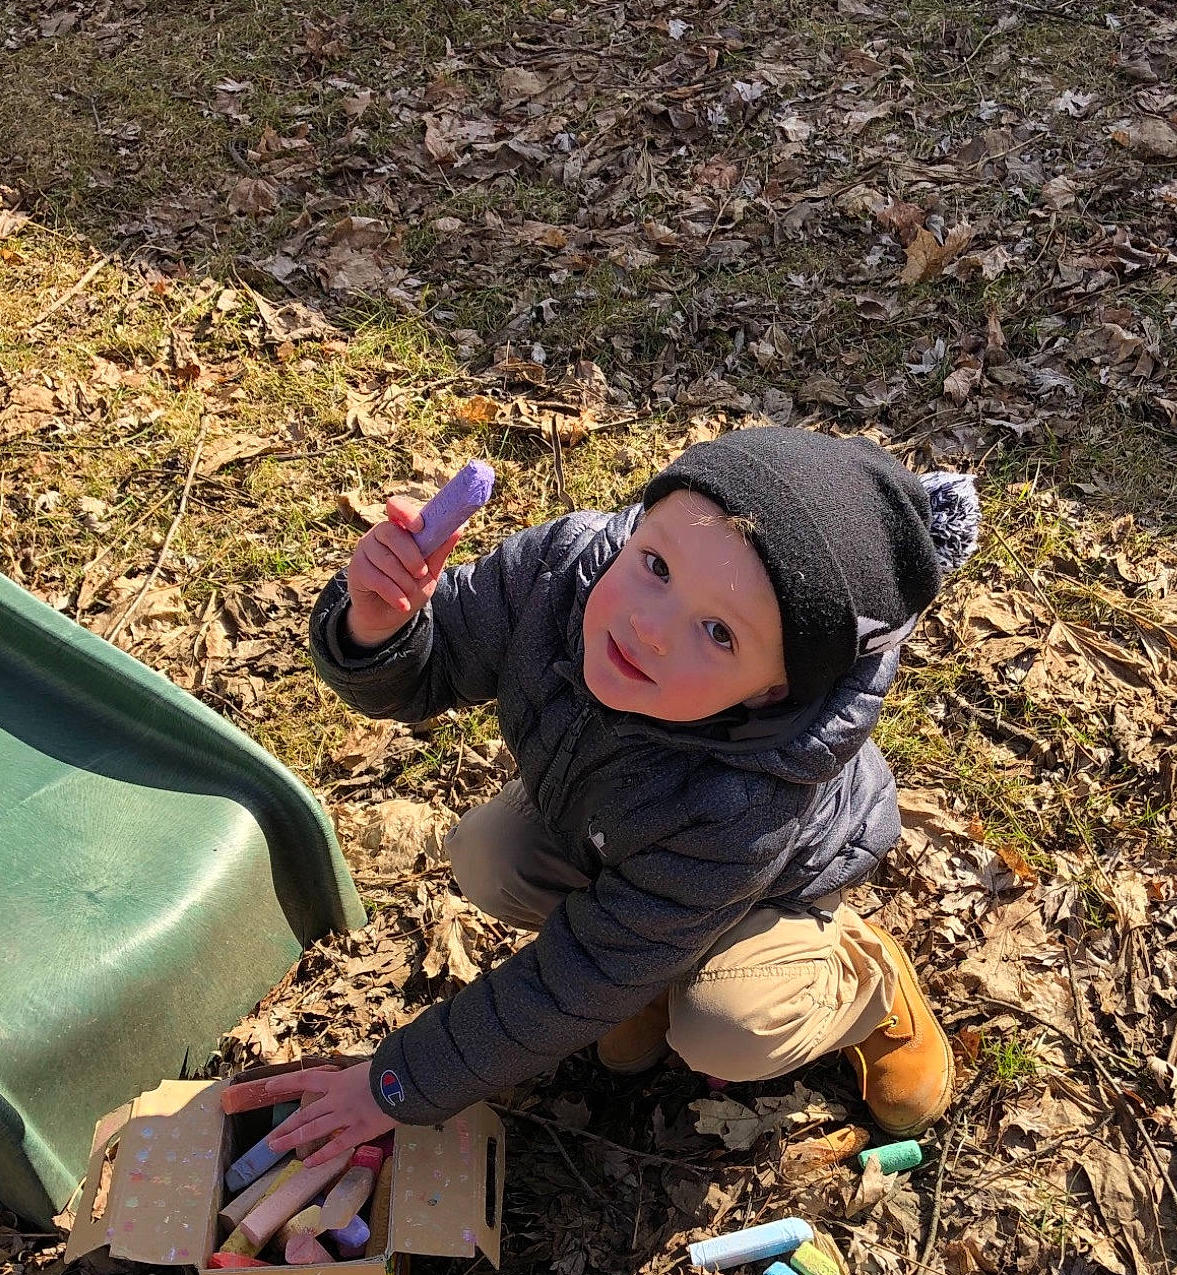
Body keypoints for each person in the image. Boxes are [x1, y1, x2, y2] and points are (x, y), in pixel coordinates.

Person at [222, 426, 979, 1167]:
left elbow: (581, 974)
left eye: (718, 632)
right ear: (640, 524)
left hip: (774, 886)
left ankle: (868, 982)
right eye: (655, 564)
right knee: (490, 855)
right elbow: (435, 660)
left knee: (725, 1030)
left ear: (775, 688)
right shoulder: (564, 569)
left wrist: (397, 1084)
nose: (649, 628)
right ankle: (660, 970)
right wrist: (377, 624)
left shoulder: (747, 801)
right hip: (623, 839)